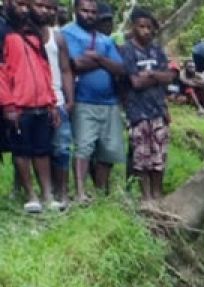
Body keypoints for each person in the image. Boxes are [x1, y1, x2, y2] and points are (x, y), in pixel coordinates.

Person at [62, 0, 124, 203]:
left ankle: (100, 193)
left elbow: (120, 69)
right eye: (84, 11)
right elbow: (75, 63)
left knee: (108, 150)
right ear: (75, 11)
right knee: (83, 147)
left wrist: (97, 58)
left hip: (110, 102)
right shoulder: (68, 33)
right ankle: (80, 192)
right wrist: (105, 62)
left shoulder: (105, 40)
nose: (89, 15)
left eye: (92, 12)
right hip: (83, 100)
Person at [1, 0, 58, 212]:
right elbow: (1, 73)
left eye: (27, 5)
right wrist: (8, 104)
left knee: (42, 150)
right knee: (22, 152)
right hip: (18, 105)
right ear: (8, 3)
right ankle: (31, 195)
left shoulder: (34, 32)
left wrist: (51, 101)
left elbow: (45, 69)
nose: (24, 9)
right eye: (20, 4)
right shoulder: (3, 33)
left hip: (42, 103)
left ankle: (47, 195)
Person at [119, 7, 171, 199]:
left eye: (149, 27)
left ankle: (157, 194)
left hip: (158, 110)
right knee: (141, 157)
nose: (146, 31)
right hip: (137, 112)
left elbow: (169, 76)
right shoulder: (127, 50)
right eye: (142, 27)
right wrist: (157, 77)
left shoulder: (157, 50)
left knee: (159, 155)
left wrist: (151, 74)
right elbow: (135, 82)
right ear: (133, 27)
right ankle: (146, 196)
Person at [40, 0, 73, 207]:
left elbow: (66, 69)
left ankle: (63, 193)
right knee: (39, 149)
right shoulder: (23, 35)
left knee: (61, 148)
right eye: (43, 6)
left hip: (59, 101)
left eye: (52, 8)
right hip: (35, 101)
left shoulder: (58, 37)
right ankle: (45, 192)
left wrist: (70, 99)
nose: (48, 11)